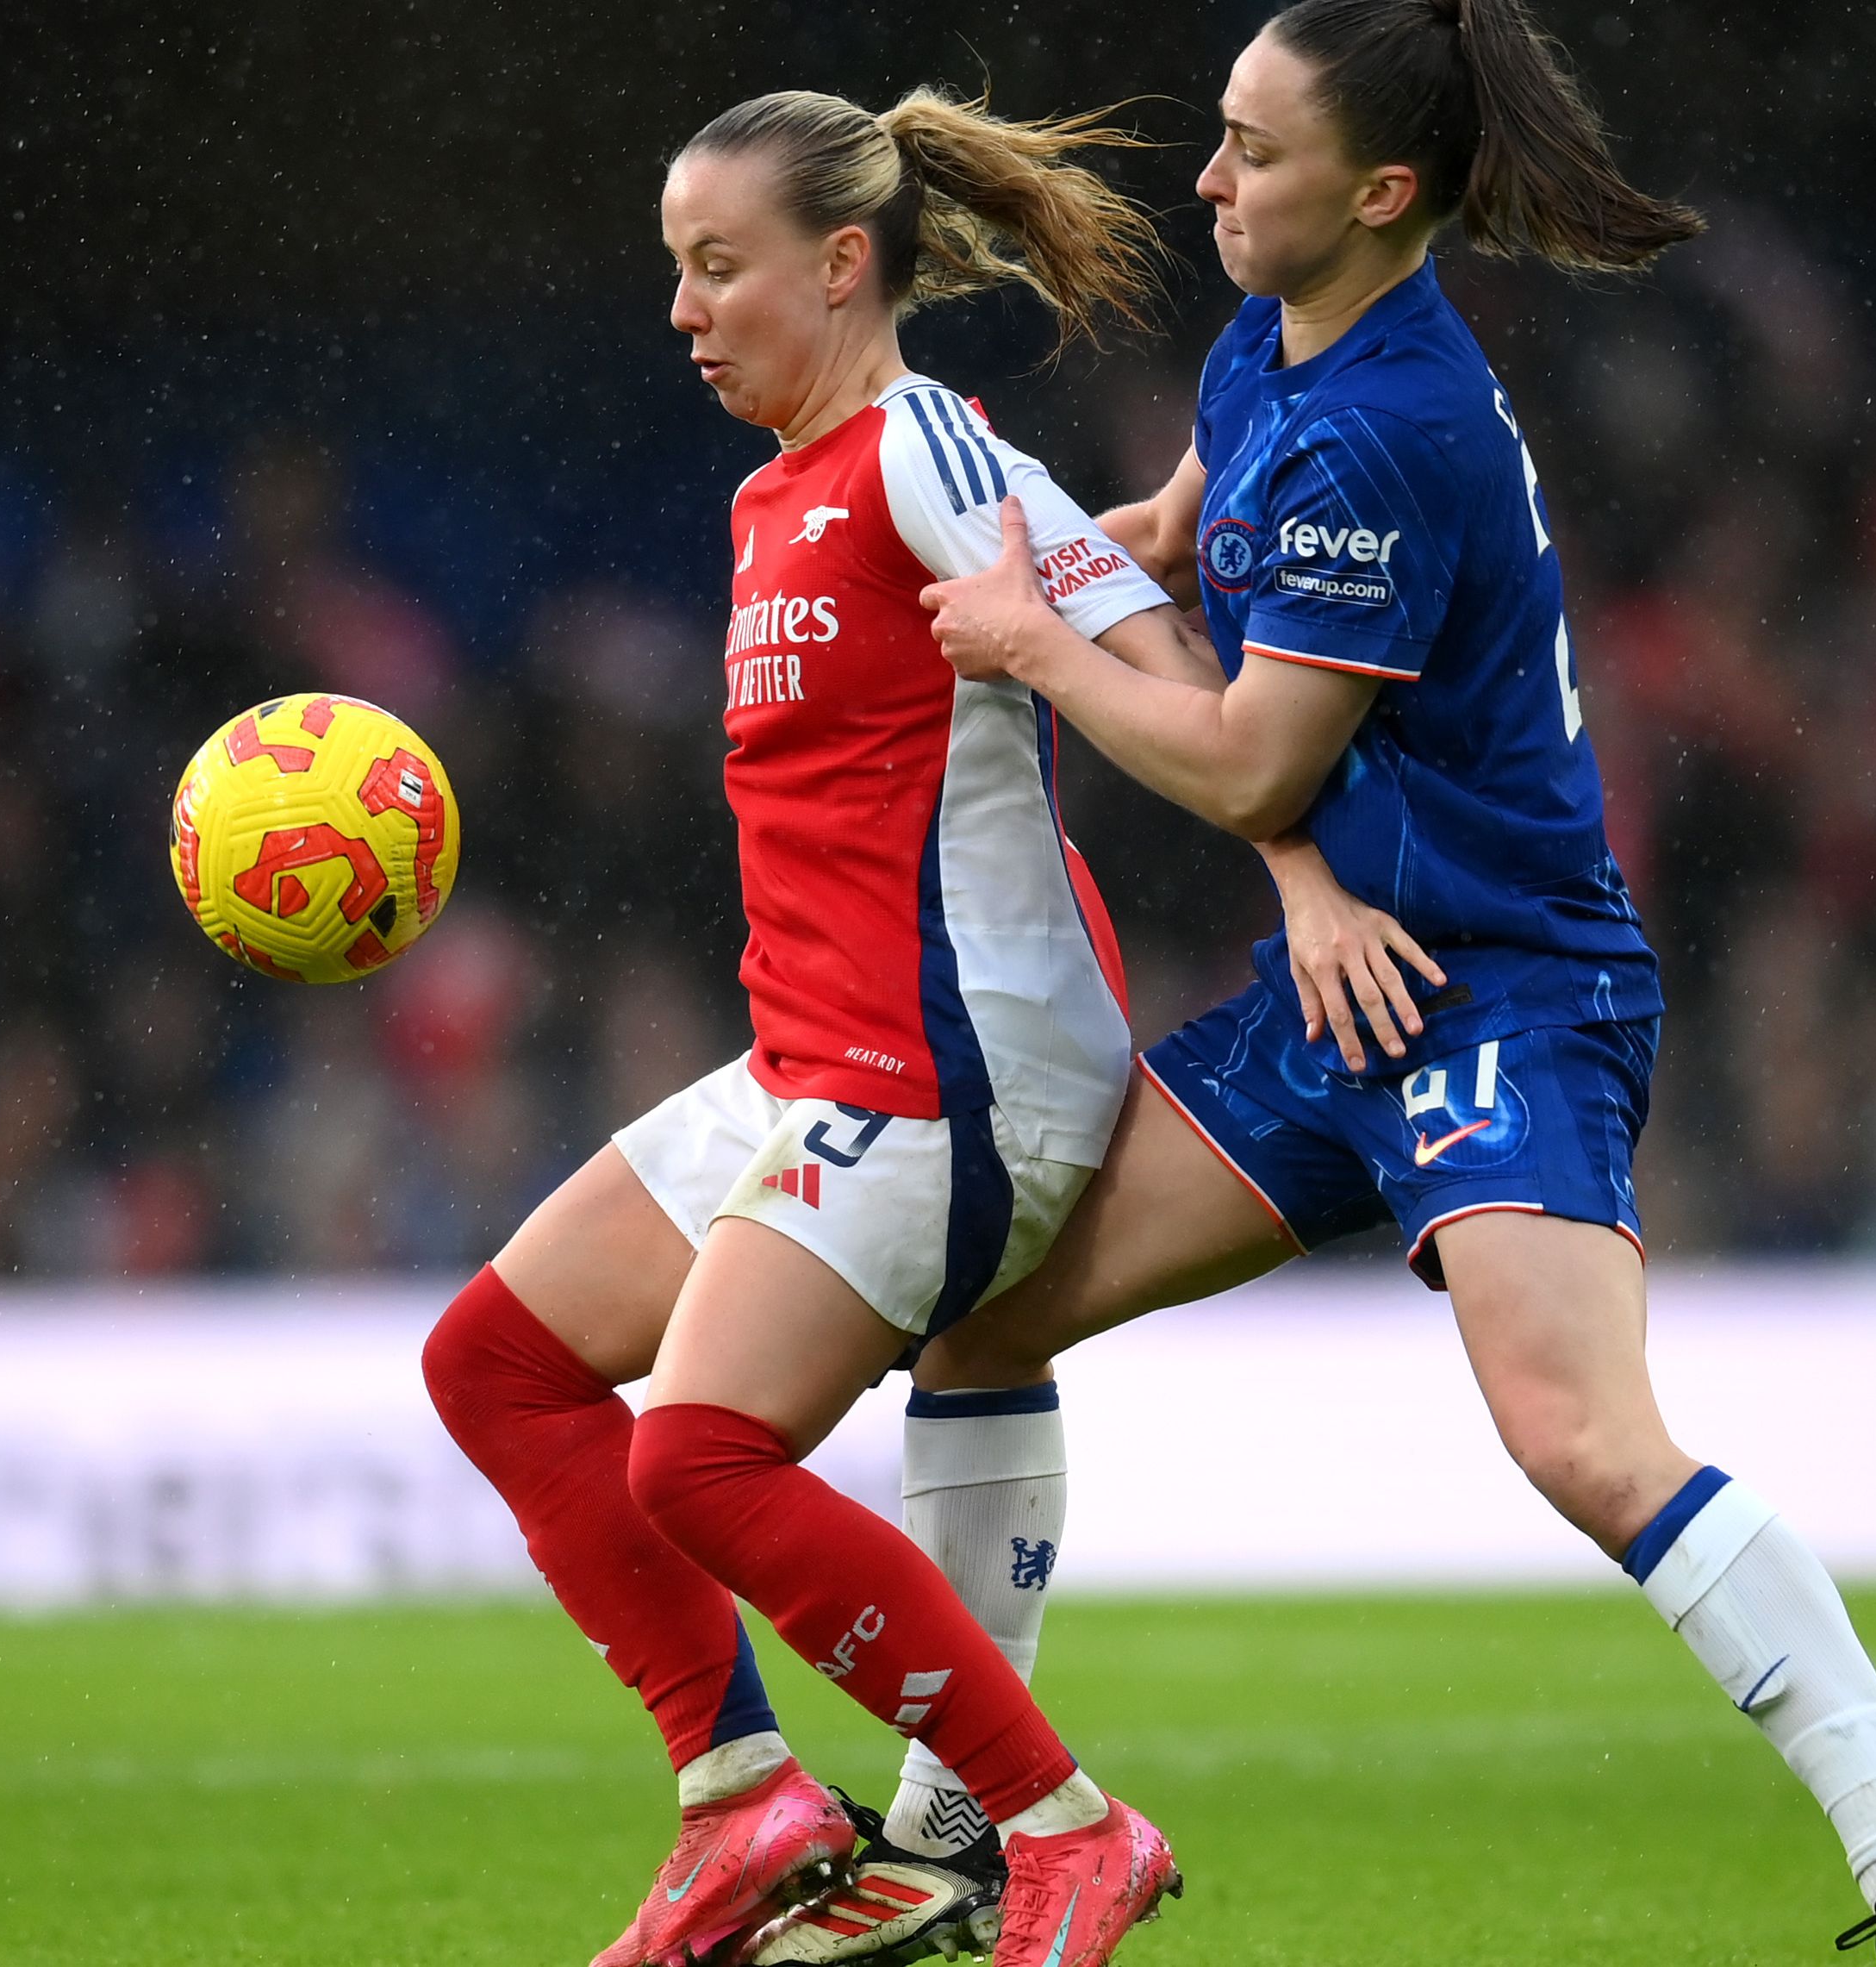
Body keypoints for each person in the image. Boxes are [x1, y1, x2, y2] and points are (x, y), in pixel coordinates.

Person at [775, 6, 1876, 1965]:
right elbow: (1181, 561)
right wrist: (1077, 575)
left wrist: (1035, 652)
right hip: (1340, 994)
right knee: (981, 1319)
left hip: (1502, 989)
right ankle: (960, 1835)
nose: (1208, 179)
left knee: (1582, 1440)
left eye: (1252, 151)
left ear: (1381, 194)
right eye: (1217, 136)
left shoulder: (1393, 426)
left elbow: (1245, 758)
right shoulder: (1268, 348)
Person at [413, 83, 1371, 1967]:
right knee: (495, 1364)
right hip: (816, 1056)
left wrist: (1301, 874)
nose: (683, 313)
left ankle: (1061, 1827)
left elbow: (1176, 667)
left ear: (844, 263)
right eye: (672, 274)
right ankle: (747, 1801)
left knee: (695, 1455)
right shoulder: (778, 491)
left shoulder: (928, 445)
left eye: (718, 269)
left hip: (959, 1069)